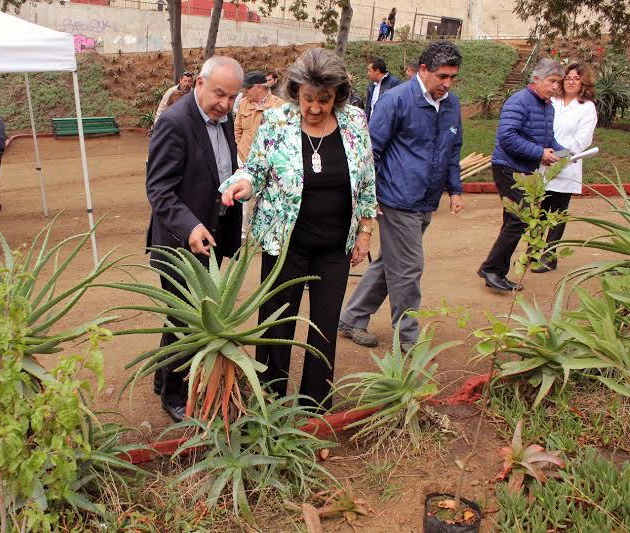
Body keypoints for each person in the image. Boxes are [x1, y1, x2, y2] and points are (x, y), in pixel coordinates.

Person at [220, 48, 377, 408]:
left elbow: (367, 181)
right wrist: (244, 183)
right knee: (276, 326)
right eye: (309, 99)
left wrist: (365, 233)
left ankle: (314, 410)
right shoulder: (277, 122)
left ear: (338, 94)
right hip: (285, 244)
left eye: (325, 99)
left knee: (323, 330)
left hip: (335, 248)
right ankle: (269, 406)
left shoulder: (354, 122)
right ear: (296, 92)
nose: (317, 108)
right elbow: (255, 168)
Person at [338, 41, 464, 351]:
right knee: (409, 267)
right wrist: (372, 196)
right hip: (396, 198)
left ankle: (352, 318)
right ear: (423, 70)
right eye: (441, 76)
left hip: (426, 200)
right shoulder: (396, 100)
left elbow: (453, 149)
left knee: (391, 262)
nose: (447, 84)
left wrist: (455, 189)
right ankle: (408, 336)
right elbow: (372, 150)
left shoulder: (451, 105)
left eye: (452, 77)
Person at [146, 56, 243, 422]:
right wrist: (189, 226)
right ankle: (173, 394)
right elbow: (159, 190)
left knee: (183, 315)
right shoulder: (174, 122)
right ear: (199, 83)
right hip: (180, 242)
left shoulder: (224, 117)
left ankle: (161, 377)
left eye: (233, 98)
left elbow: (220, 167)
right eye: (220, 94)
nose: (226, 104)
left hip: (212, 237)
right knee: (184, 319)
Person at [478, 59, 565, 290]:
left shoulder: (549, 107)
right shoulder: (519, 101)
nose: (556, 87)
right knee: (520, 218)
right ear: (536, 79)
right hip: (507, 167)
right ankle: (491, 269)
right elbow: (507, 136)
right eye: (552, 81)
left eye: (559, 82)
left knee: (513, 220)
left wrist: (563, 151)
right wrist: (539, 153)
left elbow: (547, 140)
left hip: (524, 170)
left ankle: (496, 272)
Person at [533, 62, 598, 273]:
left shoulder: (586, 107)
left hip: (566, 166)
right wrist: (541, 152)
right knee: (539, 212)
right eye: (567, 77)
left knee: (557, 215)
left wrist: (558, 155)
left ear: (583, 83)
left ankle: (549, 257)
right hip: (543, 162)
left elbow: (582, 140)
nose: (571, 82)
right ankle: (532, 252)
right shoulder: (552, 101)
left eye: (576, 78)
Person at [235, 71, 284, 239]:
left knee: (267, 198)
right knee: (241, 199)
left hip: (268, 163)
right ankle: (240, 235)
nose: (244, 92)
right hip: (244, 159)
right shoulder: (243, 103)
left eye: (247, 88)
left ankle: (265, 234)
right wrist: (241, 147)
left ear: (257, 87)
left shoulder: (279, 105)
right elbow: (238, 128)